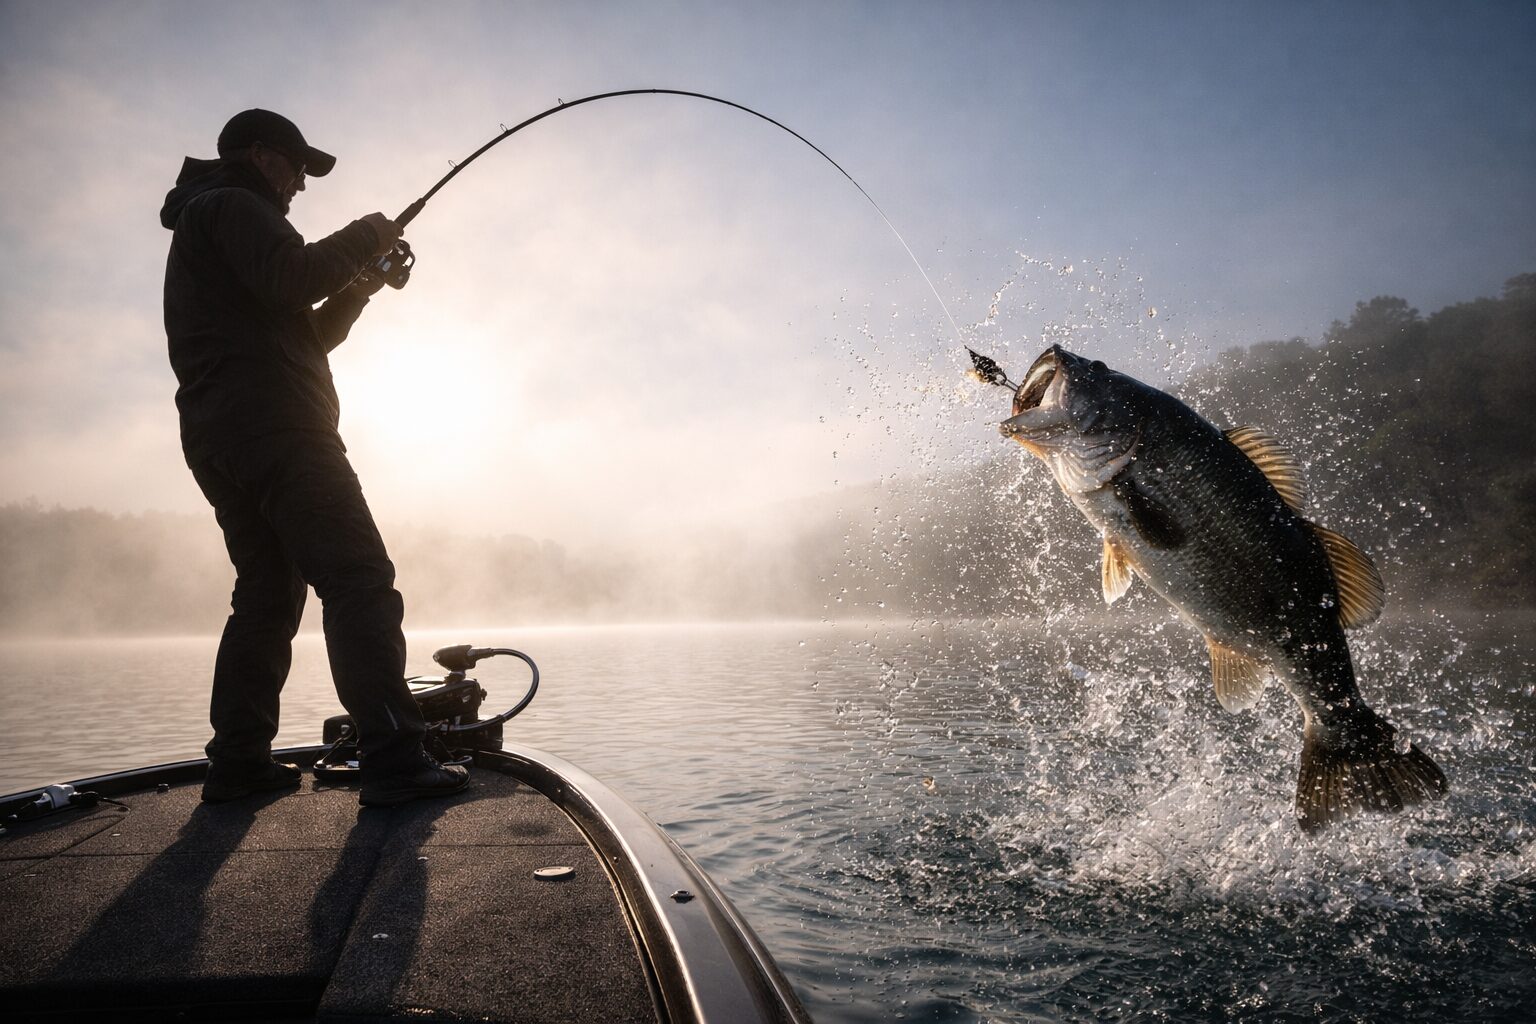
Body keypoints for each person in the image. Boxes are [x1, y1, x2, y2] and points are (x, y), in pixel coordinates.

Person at [160, 109, 467, 807]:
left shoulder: (210, 224)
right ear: (264, 155)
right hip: (281, 431)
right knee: (359, 580)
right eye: (298, 167)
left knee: (267, 599)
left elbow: (303, 334)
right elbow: (294, 278)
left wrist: (358, 287)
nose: (302, 183)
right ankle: (393, 759)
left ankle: (237, 763)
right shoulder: (236, 205)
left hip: (222, 439)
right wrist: (369, 232)